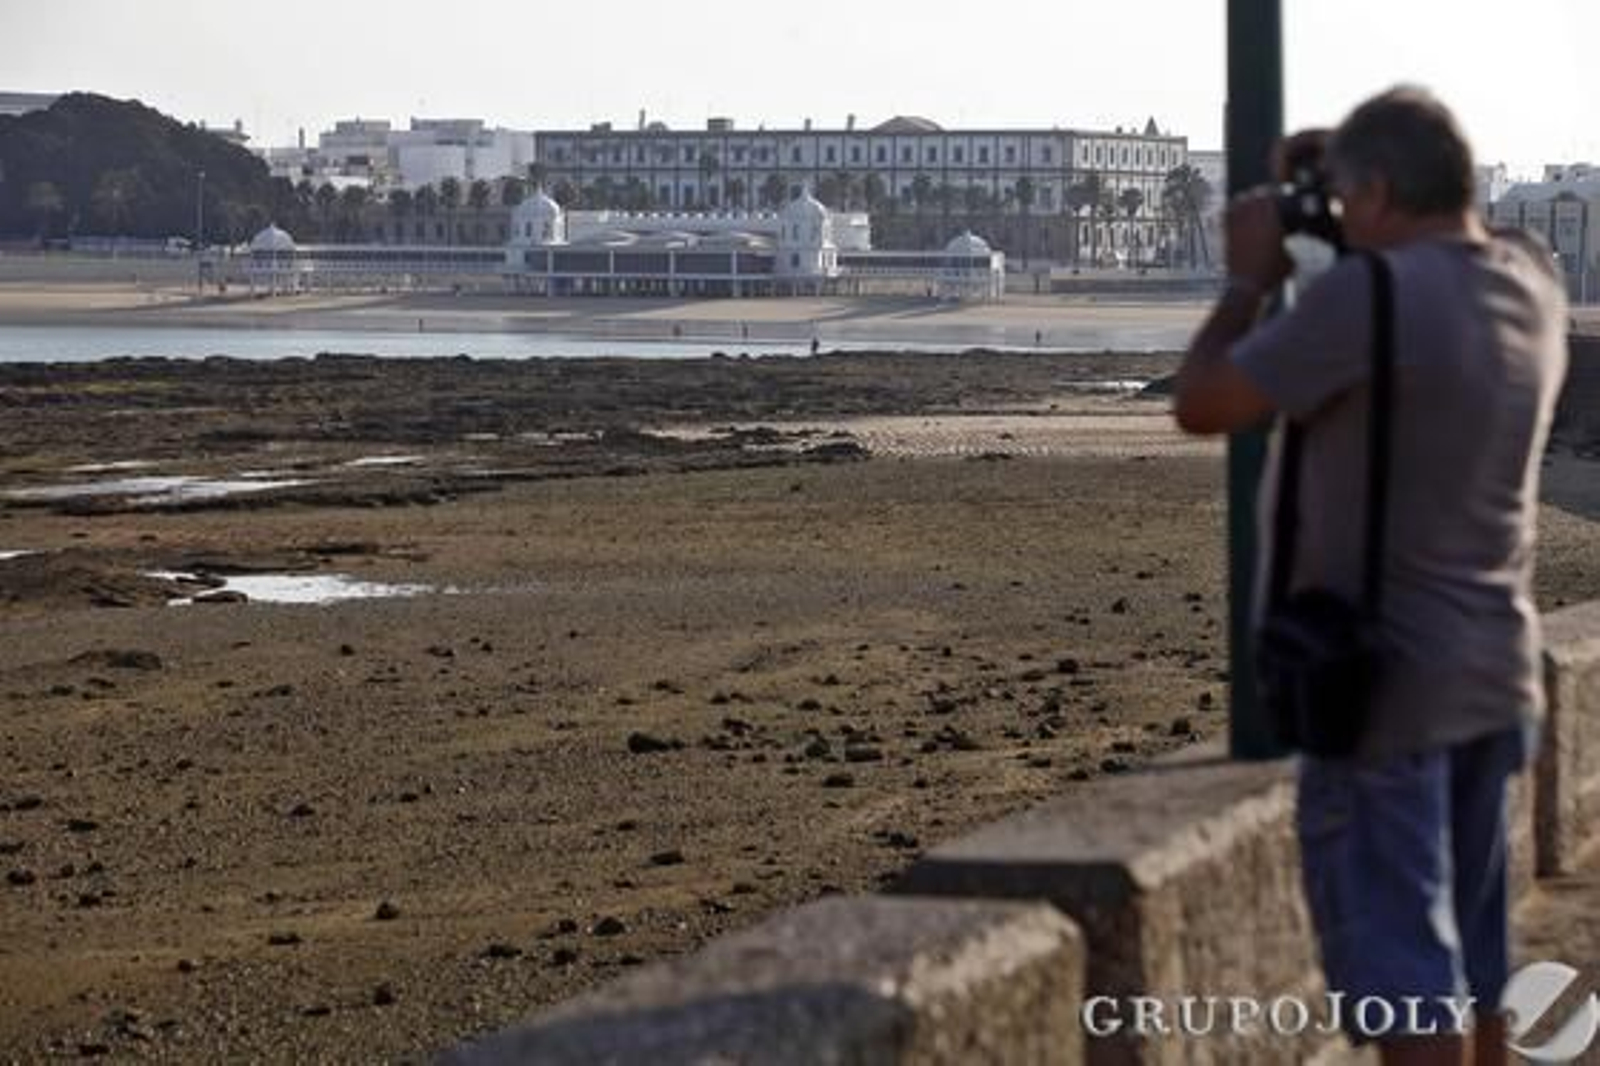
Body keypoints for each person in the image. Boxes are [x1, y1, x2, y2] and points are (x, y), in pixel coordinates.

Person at [1172, 86, 1568, 1066]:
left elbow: (1206, 402)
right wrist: (1345, 172)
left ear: (1381, 190)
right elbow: (1462, 243)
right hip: (1496, 674)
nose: (1338, 217)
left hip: (1386, 690)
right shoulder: (1531, 284)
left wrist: (1247, 280)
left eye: (1348, 199)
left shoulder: (1366, 300)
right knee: (1479, 962)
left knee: (1403, 982)